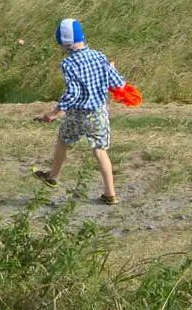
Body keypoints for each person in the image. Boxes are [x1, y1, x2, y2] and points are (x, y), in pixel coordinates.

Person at [30, 18, 124, 205]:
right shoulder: (99, 56)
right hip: (99, 114)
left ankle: (53, 176)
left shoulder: (69, 63)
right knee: (100, 151)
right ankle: (110, 194)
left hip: (78, 114)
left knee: (63, 140)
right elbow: (118, 83)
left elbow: (73, 92)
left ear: (65, 44)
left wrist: (55, 111)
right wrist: (110, 69)